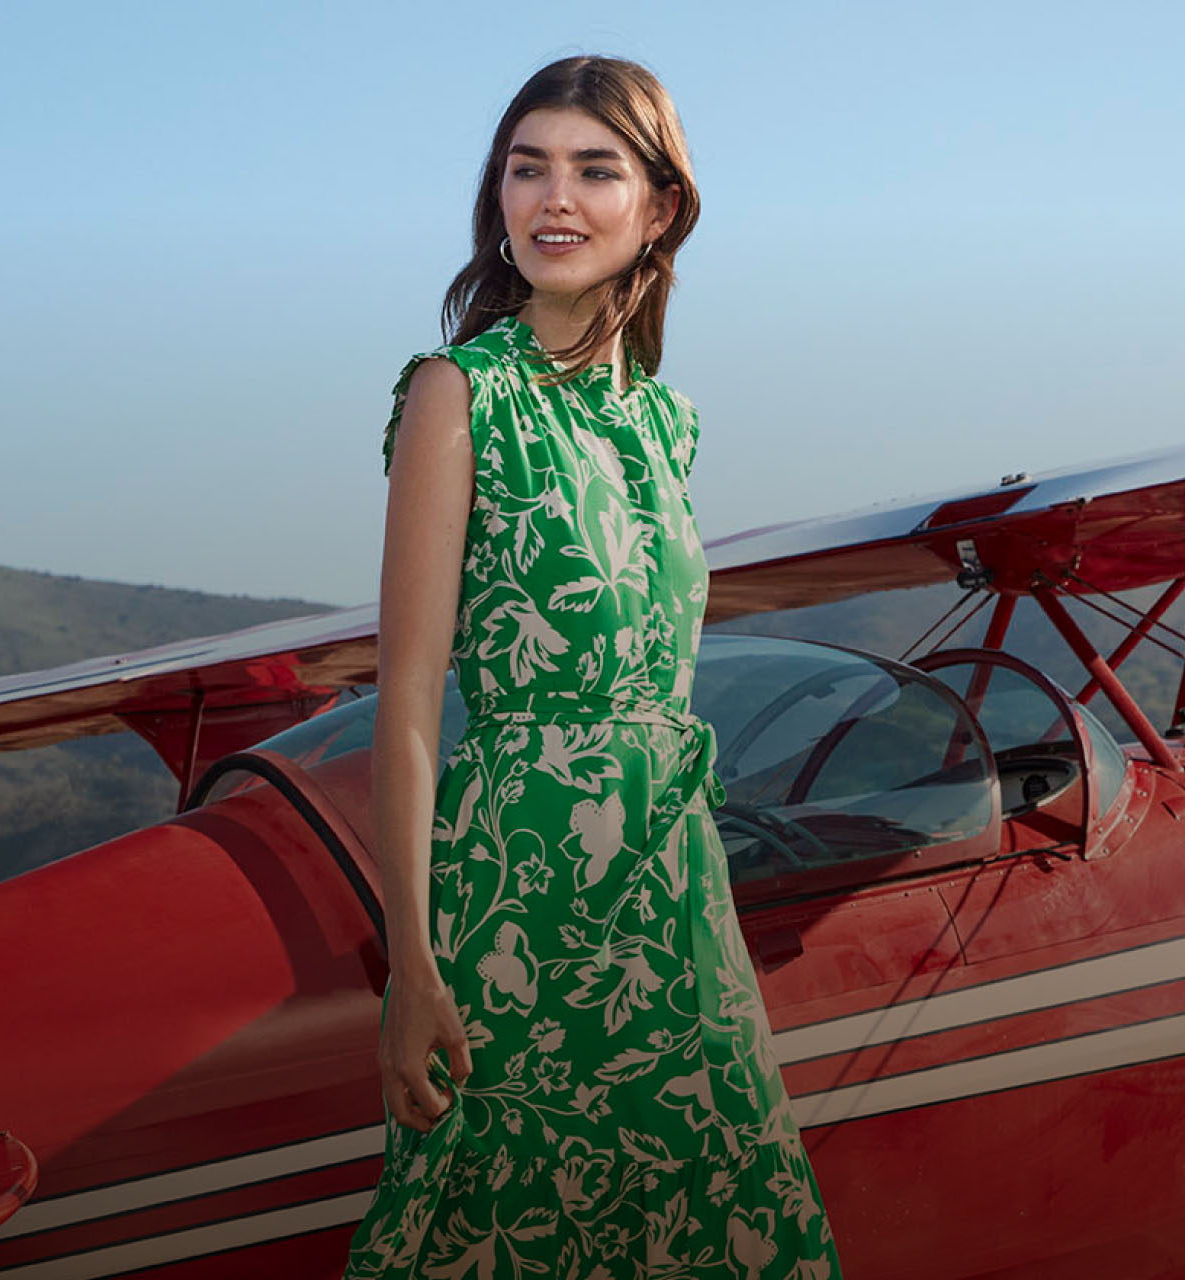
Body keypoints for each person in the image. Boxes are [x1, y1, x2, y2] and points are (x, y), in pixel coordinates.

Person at [343, 56, 844, 1278]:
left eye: (592, 169)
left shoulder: (660, 419)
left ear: (659, 206)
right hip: (521, 885)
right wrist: (412, 960)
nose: (552, 201)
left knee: (719, 1215)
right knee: (509, 1218)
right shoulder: (457, 397)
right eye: (526, 169)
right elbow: (407, 695)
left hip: (671, 884)